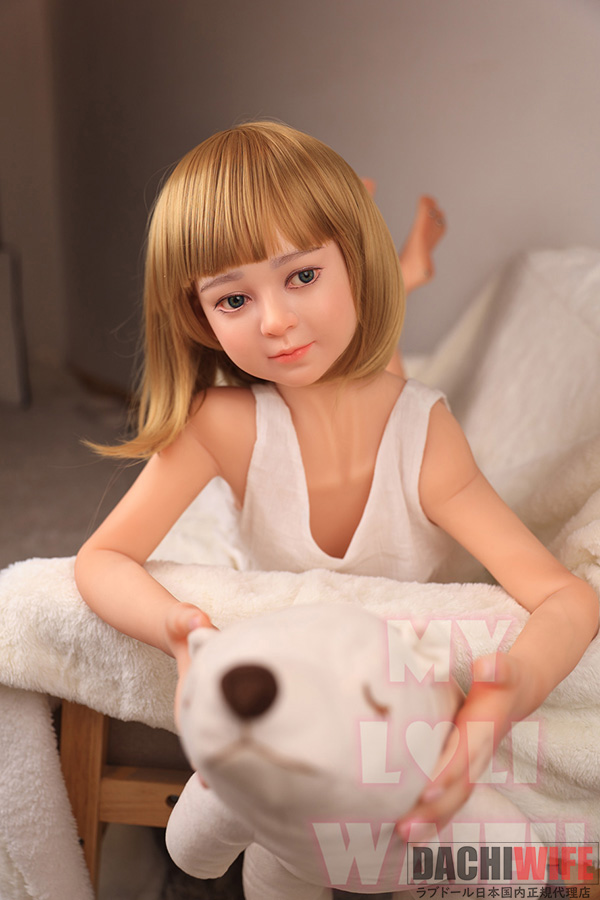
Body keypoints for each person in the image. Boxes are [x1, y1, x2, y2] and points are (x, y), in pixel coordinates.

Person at [74, 121, 598, 835]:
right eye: (234, 300)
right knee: (363, 370)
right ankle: (388, 270)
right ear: (199, 319)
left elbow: (567, 598)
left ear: (352, 261)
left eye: (302, 276)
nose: (276, 322)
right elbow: (101, 559)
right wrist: (179, 629)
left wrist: (506, 695)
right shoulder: (218, 424)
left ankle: (403, 270)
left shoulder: (427, 437)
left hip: (398, 407)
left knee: (386, 378)